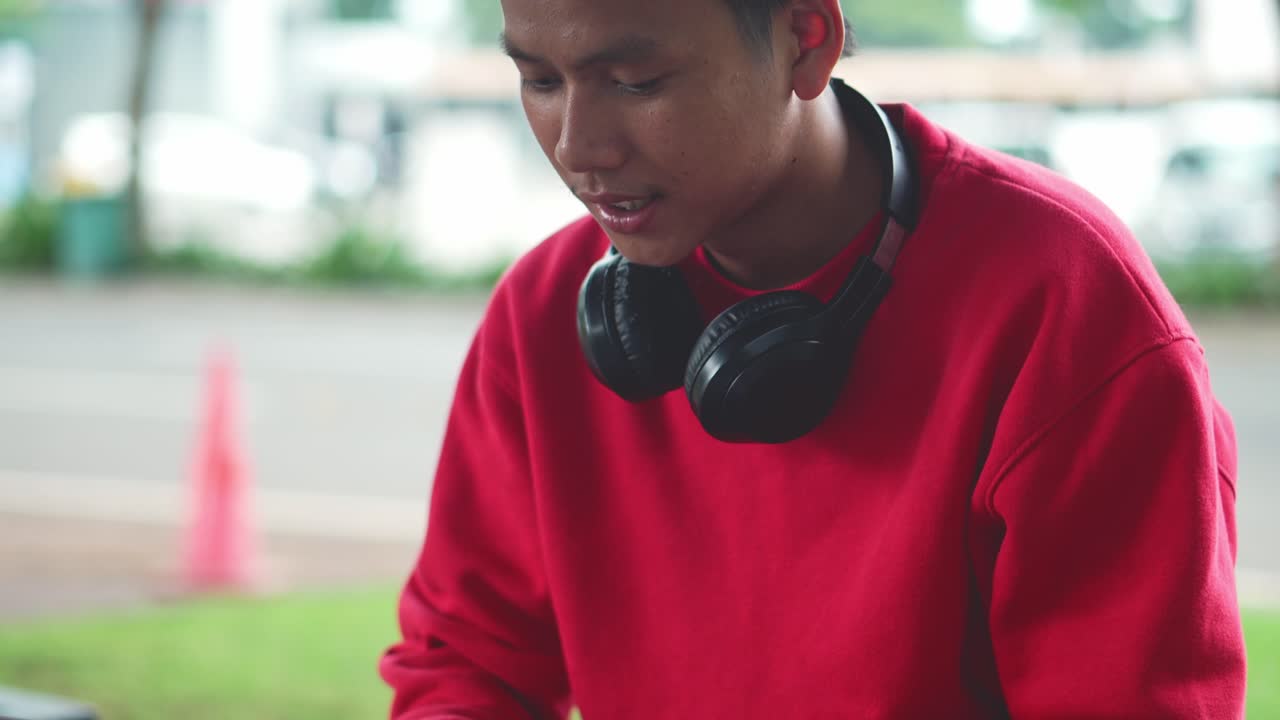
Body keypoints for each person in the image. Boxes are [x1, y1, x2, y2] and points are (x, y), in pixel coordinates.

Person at [380, 0, 1247, 717]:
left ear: (807, 37)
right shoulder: (541, 314)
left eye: (636, 81)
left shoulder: (1068, 307)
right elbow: (467, 667)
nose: (578, 147)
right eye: (539, 79)